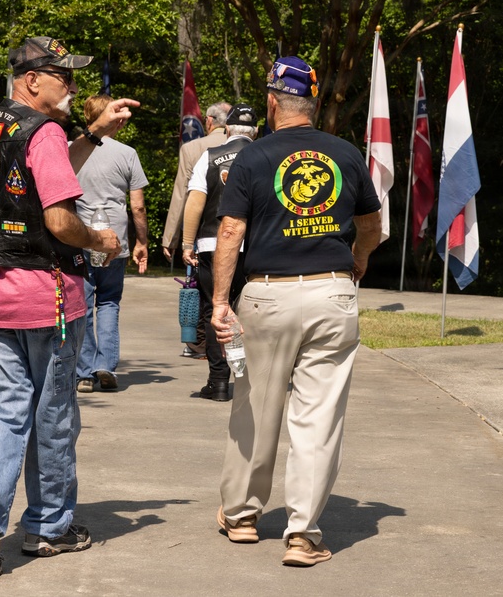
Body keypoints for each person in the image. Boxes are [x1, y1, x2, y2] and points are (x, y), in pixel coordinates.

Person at [0, 36, 137, 577]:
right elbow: (57, 220)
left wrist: (94, 135)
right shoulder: (46, 130)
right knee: (52, 415)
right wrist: (100, 240)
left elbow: (31, 178)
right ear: (34, 80)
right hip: (48, 295)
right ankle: (48, 526)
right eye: (64, 76)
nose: (73, 86)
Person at [209, 56, 382, 567]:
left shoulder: (252, 157)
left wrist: (219, 302)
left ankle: (241, 516)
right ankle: (304, 534)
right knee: (319, 417)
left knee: (255, 406)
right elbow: (372, 224)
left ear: (270, 103)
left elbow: (230, 232)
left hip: (267, 294)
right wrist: (357, 260)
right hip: (333, 292)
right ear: (313, 103)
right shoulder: (346, 154)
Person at [181, 103, 257, 402]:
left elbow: (195, 202)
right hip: (253, 248)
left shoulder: (209, 157)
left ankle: (219, 382)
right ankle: (256, 379)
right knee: (253, 313)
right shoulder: (264, 156)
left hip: (213, 245)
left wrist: (188, 243)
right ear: (256, 132)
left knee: (216, 311)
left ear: (226, 130)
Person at [74, 94, 149, 393]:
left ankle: (84, 373)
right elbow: (138, 206)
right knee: (108, 301)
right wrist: (142, 241)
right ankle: (105, 364)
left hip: (79, 236)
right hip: (114, 239)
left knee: (82, 304)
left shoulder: (71, 150)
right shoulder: (127, 153)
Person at [162, 101, 231, 357]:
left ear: (209, 122)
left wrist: (172, 238)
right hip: (242, 232)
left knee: (203, 289)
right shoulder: (249, 148)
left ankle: (200, 345)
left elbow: (182, 195)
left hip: (204, 233)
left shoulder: (193, 148)